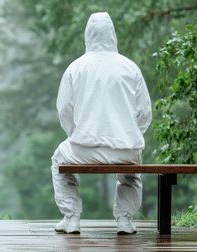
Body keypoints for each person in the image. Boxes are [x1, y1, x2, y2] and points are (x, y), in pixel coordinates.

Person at [51, 12, 152, 234]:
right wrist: (129, 134)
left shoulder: (75, 68)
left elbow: (64, 110)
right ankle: (125, 220)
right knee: (132, 169)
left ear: (87, 35)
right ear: (113, 34)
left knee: (59, 158)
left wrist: (76, 135)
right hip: (125, 151)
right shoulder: (130, 67)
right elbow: (145, 113)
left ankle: (72, 218)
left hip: (83, 150)